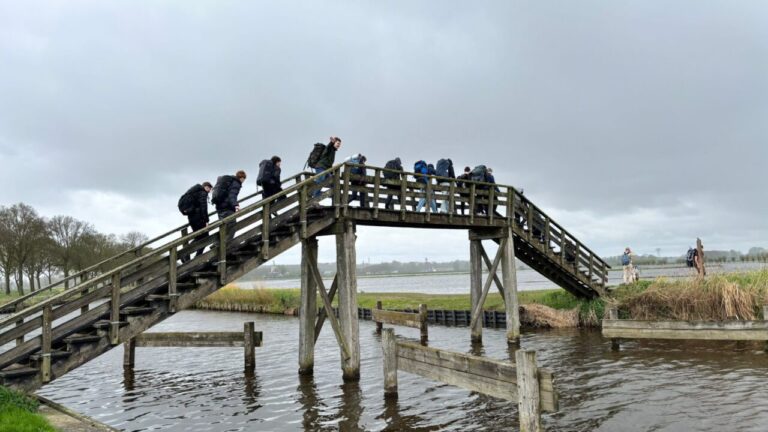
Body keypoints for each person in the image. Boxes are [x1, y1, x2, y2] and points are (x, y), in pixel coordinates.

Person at [180, 181, 212, 263]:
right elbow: (203, 208)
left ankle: (186, 254)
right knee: (206, 237)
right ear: (205, 187)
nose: (209, 190)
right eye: (209, 188)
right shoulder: (202, 193)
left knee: (198, 237)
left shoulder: (194, 192)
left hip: (192, 218)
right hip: (199, 219)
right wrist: (206, 221)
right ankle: (195, 256)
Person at [212, 170, 247, 244]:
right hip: (227, 207)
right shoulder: (236, 183)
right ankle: (226, 244)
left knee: (223, 227)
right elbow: (232, 195)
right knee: (232, 226)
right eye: (244, 179)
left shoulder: (229, 181)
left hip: (219, 207)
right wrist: (236, 205)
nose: (244, 181)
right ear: (242, 178)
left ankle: (217, 243)